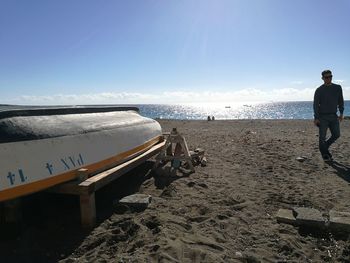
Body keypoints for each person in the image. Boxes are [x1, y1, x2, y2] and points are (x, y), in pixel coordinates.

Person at [313, 70, 344, 161]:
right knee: (322, 137)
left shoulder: (338, 87)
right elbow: (315, 105)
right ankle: (325, 154)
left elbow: (340, 101)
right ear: (322, 78)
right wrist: (316, 117)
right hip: (322, 117)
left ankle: (324, 147)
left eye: (330, 76)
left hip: (334, 116)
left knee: (336, 134)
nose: (329, 78)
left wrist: (341, 113)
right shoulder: (319, 90)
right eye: (326, 77)